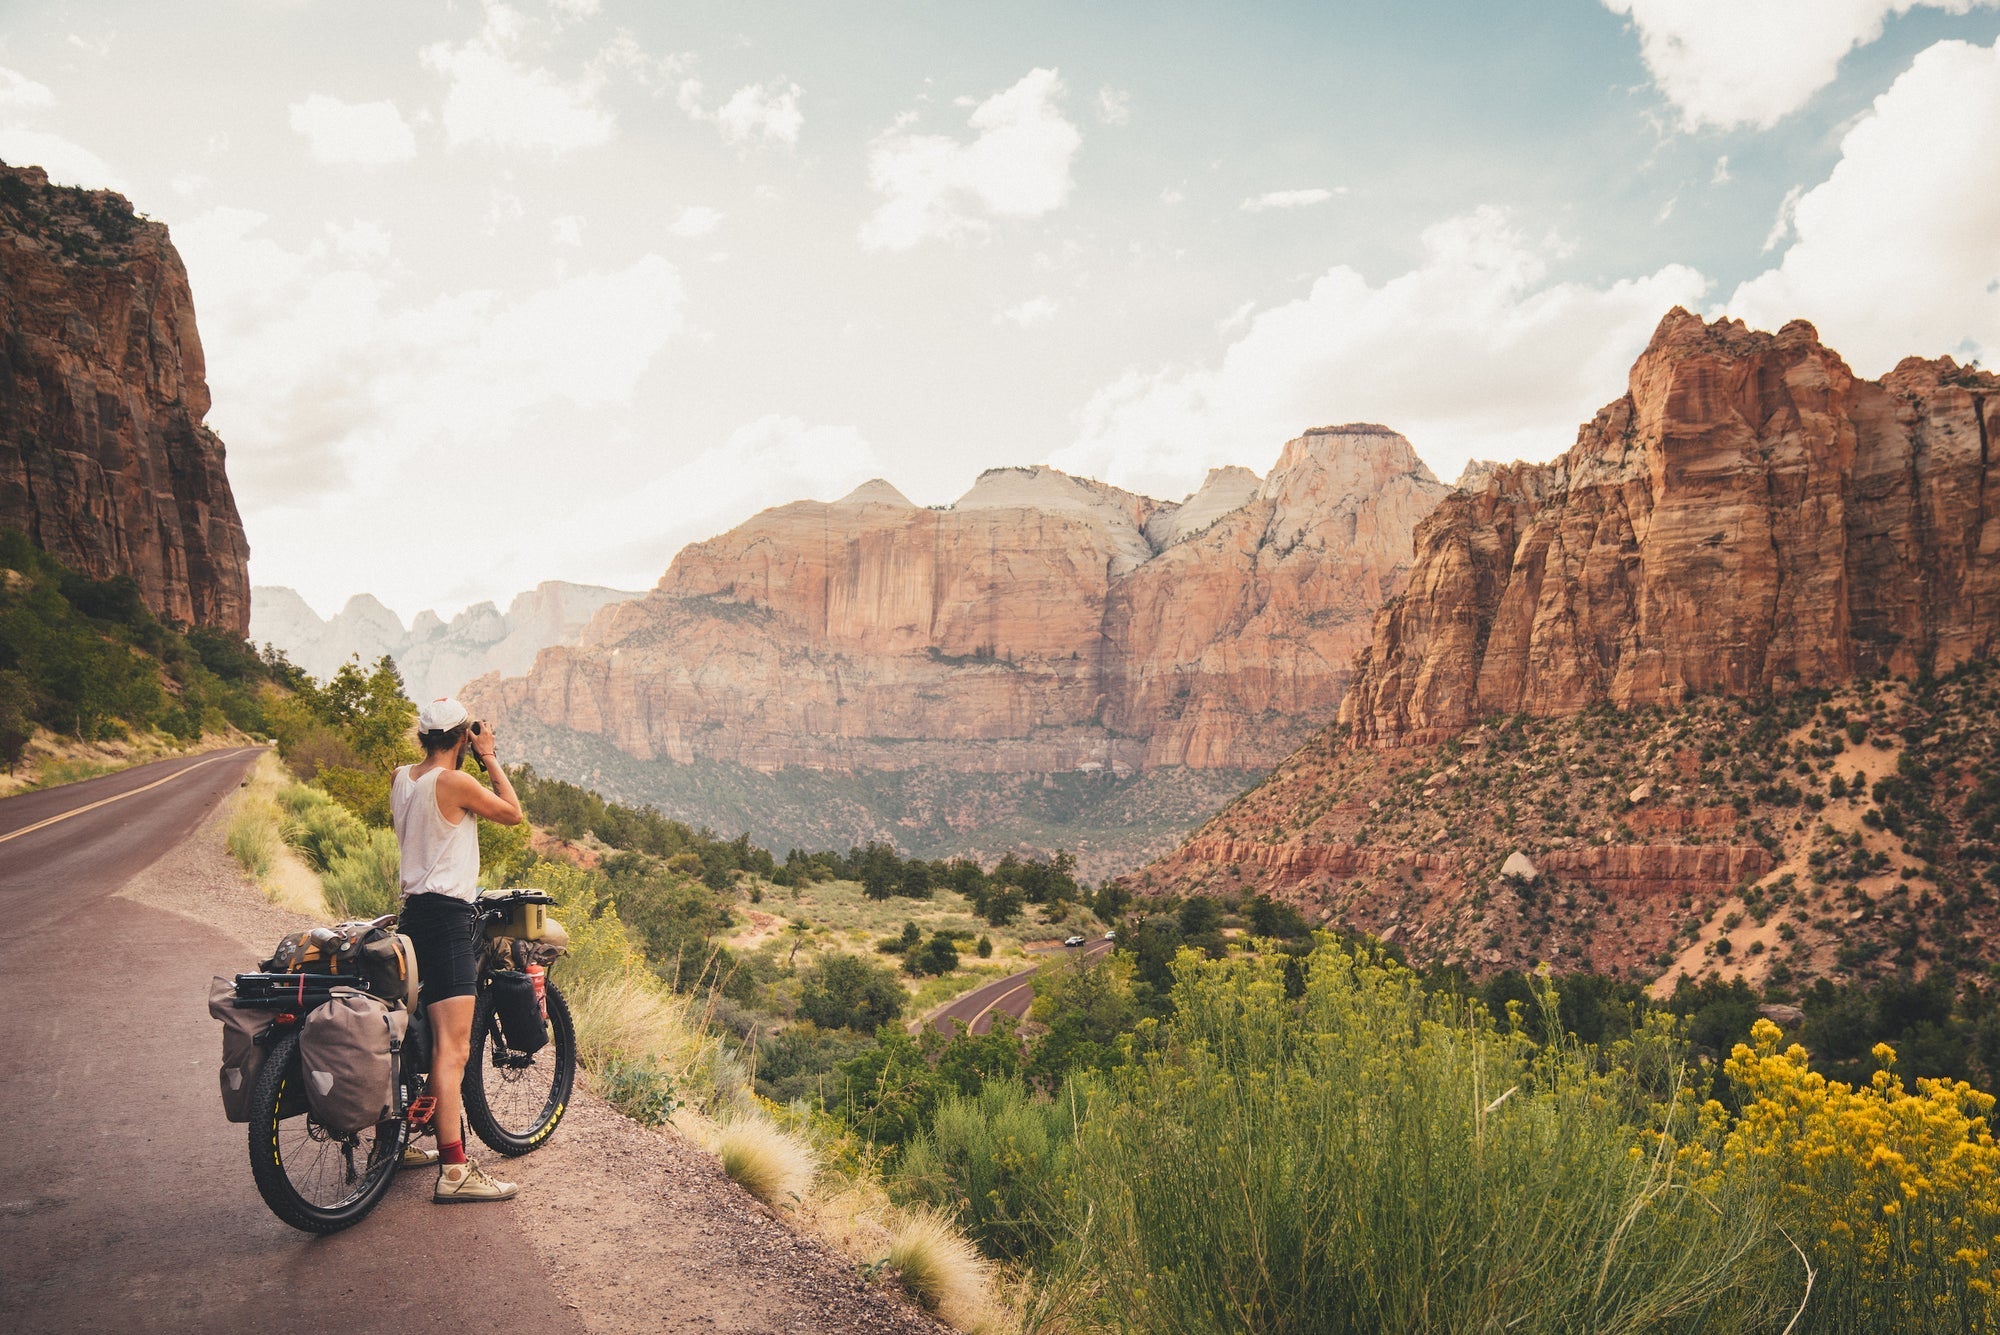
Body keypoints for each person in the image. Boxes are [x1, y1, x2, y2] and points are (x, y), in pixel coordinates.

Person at [389, 695, 526, 1203]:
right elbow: (512, 814)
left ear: (423, 736)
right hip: (447, 920)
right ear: (462, 737)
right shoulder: (453, 781)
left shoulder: (401, 778)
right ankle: (454, 1171)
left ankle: (395, 1142)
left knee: (410, 1036)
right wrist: (488, 755)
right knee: (453, 1049)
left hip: (411, 917)